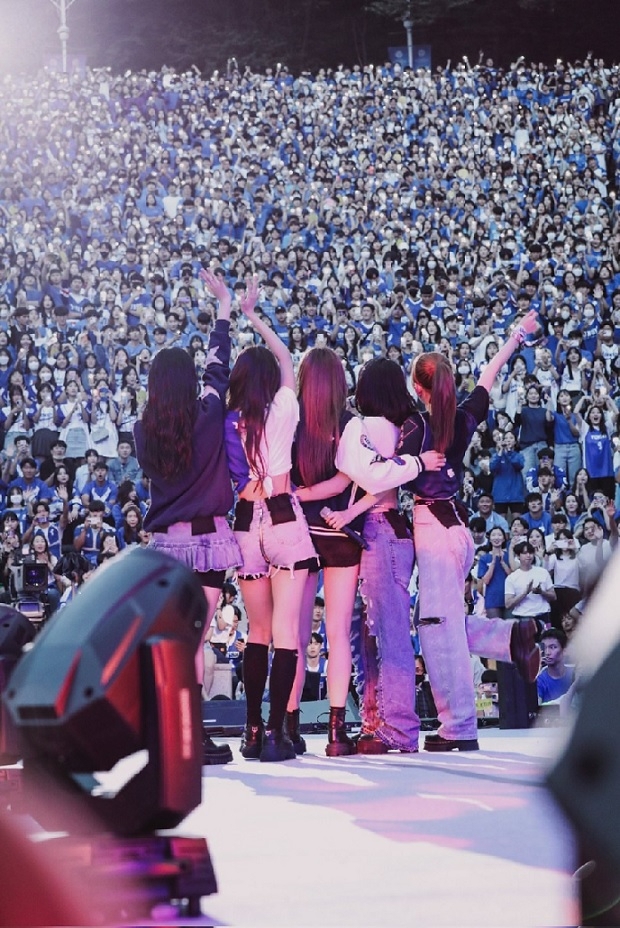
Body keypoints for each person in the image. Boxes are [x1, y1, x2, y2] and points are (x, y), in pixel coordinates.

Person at [397, 310, 542, 752]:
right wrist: (517, 336)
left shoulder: (414, 428)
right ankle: (511, 637)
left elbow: (392, 475)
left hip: (435, 526)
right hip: (458, 529)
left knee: (436, 626)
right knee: (445, 622)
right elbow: (488, 376)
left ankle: (458, 725)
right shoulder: (460, 419)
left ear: (418, 389)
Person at [307, 358, 446, 753]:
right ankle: (379, 725)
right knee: (379, 634)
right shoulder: (401, 427)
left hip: (378, 530)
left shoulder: (363, 427)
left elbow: (368, 478)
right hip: (390, 528)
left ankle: (394, 728)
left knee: (381, 635)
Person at [134, 269, 242, 766]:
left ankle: (176, 735)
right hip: (210, 541)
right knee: (195, 641)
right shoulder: (208, 413)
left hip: (165, 547)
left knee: (177, 642)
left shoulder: (143, 430)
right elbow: (219, 367)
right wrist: (223, 309)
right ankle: (191, 736)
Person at [224, 278, 318, 763]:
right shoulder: (283, 407)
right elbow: (286, 359)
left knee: (255, 632)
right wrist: (255, 316)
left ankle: (252, 731)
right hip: (282, 517)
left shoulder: (229, 418)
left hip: (244, 525)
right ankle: (280, 733)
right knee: (286, 634)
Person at [289, 347, 368, 757]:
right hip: (338, 531)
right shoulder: (349, 422)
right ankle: (337, 732)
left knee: (296, 637)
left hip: (299, 532)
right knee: (337, 635)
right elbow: (345, 481)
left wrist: (300, 495)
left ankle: (288, 725)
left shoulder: (291, 418)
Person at [537, 628, 575, 704]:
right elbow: (537, 709)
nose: (547, 653)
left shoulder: (576, 673)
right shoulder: (539, 680)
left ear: (564, 651)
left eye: (553, 647)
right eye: (544, 648)